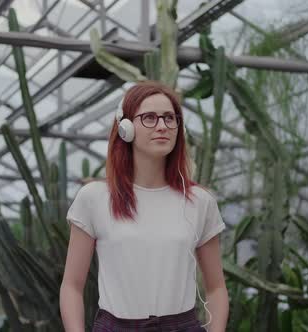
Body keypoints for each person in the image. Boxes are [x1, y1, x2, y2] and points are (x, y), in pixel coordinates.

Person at [59, 81, 229, 332]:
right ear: (126, 128)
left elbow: (216, 288)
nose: (162, 126)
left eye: (170, 118)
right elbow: (72, 285)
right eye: (149, 117)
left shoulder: (199, 202)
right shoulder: (94, 198)